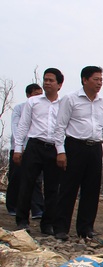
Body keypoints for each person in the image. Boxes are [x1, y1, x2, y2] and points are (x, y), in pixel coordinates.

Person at [53, 66, 103, 241]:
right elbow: (60, 127)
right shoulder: (71, 99)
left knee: (91, 189)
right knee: (69, 188)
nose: (99, 83)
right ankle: (61, 228)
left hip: (95, 148)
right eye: (96, 79)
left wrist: (99, 138)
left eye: (101, 79)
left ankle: (86, 228)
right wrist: (60, 151)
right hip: (75, 146)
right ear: (85, 80)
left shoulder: (102, 103)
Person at [13, 68, 64, 235]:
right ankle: (22, 220)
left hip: (53, 149)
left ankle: (47, 224)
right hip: (34, 146)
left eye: (51, 80)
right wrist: (18, 148)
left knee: (52, 189)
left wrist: (61, 151)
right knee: (26, 184)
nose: (47, 83)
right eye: (45, 79)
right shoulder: (33, 102)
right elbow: (23, 125)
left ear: (59, 84)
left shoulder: (64, 105)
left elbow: (64, 129)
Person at [6, 83, 43, 218]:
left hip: (35, 149)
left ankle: (37, 209)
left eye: (41, 94)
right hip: (19, 148)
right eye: (36, 94)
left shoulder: (43, 109)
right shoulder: (19, 108)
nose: (39, 97)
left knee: (36, 180)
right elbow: (16, 127)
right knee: (17, 177)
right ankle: (13, 206)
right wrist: (19, 146)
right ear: (28, 95)